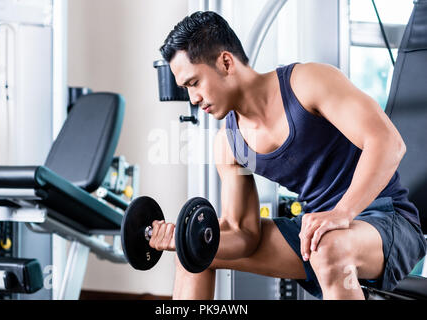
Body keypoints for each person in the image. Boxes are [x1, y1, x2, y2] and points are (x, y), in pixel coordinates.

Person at [148, 11, 427, 300]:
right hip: (317, 232)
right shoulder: (229, 144)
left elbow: (388, 142)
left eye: (194, 83)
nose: (192, 98)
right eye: (186, 88)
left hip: (386, 221)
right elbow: (244, 235)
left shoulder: (307, 82)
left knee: (328, 247)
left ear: (225, 62)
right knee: (194, 254)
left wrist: (341, 213)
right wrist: (182, 238)